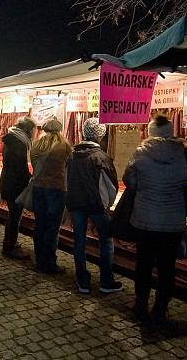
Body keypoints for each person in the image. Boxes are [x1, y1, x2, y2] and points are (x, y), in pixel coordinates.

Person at [124, 114, 187, 324]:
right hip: (173, 223)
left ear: (150, 132)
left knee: (143, 264)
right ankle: (161, 308)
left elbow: (129, 181)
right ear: (170, 132)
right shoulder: (183, 154)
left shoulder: (140, 154)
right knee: (167, 267)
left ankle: (141, 303)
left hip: (145, 220)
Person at [66, 118, 122, 294]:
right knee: (106, 241)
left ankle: (82, 281)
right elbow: (112, 186)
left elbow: (66, 180)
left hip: (76, 205)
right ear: (100, 136)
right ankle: (106, 282)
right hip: (97, 206)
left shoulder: (72, 155)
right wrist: (107, 204)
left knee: (79, 242)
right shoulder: (101, 157)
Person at [30, 119, 71, 274]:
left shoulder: (36, 145)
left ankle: (40, 261)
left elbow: (34, 166)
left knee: (39, 225)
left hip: (38, 189)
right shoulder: (65, 147)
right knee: (52, 228)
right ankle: (50, 263)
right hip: (57, 190)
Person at [0, 117, 35, 260]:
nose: (34, 132)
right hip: (14, 185)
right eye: (33, 129)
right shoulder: (19, 144)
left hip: (8, 182)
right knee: (15, 217)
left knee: (13, 216)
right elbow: (19, 168)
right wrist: (30, 178)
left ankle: (9, 243)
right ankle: (10, 246)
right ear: (27, 129)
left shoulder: (12, 141)